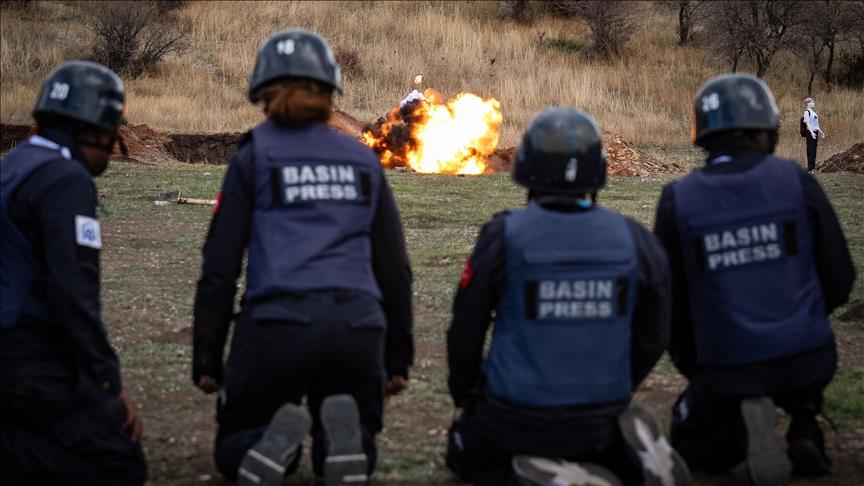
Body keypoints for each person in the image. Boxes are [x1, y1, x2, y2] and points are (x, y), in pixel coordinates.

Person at [191, 29, 413, 486]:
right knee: (358, 441)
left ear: (263, 90)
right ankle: (344, 446)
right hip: (357, 327)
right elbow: (394, 268)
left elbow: (220, 266)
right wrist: (396, 359)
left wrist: (208, 358)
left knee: (235, 445)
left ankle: (268, 440)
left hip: (278, 324)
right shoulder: (364, 161)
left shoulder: (255, 156)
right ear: (330, 89)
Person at [445, 107, 690, 486]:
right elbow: (656, 331)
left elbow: (466, 327)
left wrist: (469, 395)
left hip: (518, 413)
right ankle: (635, 459)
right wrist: (622, 383)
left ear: (526, 166)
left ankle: (557, 475)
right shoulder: (635, 240)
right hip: (603, 412)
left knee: (466, 453)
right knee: (600, 444)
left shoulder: (504, 235)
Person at [654, 74, 855, 485]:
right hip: (807, 360)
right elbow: (840, 276)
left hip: (726, 363)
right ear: (769, 127)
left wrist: (700, 364)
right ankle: (803, 422)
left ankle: (735, 421)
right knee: (795, 368)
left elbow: (668, 301)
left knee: (695, 447)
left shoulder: (679, 197)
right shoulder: (797, 182)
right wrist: (805, 318)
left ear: (702, 132)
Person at [0, 61, 147, 485]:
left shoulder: (15, 164)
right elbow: (73, 292)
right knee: (120, 459)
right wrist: (106, 381)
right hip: (26, 352)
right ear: (100, 129)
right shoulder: (66, 178)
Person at [802, 97, 825, 173]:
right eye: (812, 102)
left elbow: (816, 124)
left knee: (814, 150)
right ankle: (810, 169)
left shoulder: (814, 113)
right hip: (810, 133)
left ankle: (812, 168)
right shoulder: (806, 112)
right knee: (810, 150)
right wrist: (811, 133)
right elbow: (807, 123)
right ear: (808, 103)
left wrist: (821, 132)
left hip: (815, 132)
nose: (813, 103)